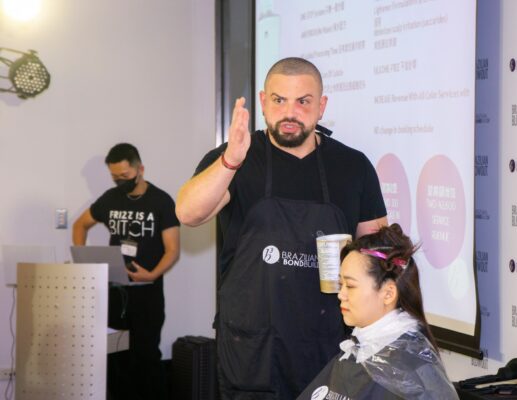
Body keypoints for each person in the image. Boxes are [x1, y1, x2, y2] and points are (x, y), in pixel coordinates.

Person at [176, 57, 388, 399]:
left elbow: (378, 254)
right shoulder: (236, 158)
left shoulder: (353, 166)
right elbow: (188, 213)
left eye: (303, 101)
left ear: (321, 106)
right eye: (279, 100)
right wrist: (231, 161)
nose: (290, 112)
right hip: (252, 349)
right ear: (263, 102)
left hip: (327, 346)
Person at [299, 224, 459, 399]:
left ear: (388, 294)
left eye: (350, 286)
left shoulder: (413, 370)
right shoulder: (358, 348)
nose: (341, 294)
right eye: (340, 284)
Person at [72, 143, 180, 400]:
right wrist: (83, 259)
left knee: (146, 356)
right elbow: (79, 225)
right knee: (114, 357)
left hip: (147, 293)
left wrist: (152, 275)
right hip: (114, 293)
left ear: (140, 169)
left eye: (125, 176)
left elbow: (173, 250)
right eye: (115, 177)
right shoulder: (110, 199)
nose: (120, 181)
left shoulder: (161, 201)